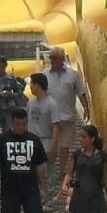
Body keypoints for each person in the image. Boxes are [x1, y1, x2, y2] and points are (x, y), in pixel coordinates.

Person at [23, 72, 63, 203]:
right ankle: (36, 197)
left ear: (37, 86)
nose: (30, 87)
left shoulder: (52, 104)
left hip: (45, 141)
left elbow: (56, 126)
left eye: (32, 84)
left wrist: (53, 147)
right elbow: (26, 123)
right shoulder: (30, 103)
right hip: (30, 141)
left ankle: (47, 199)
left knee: (47, 173)